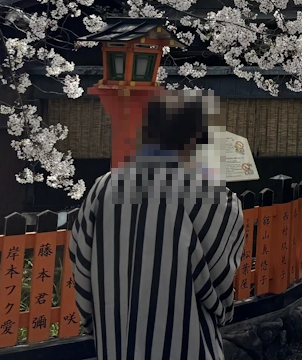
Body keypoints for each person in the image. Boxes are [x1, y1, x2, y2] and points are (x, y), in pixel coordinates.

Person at [69, 90, 245, 360]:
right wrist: (222, 311)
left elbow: (81, 261)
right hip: (187, 342)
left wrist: (95, 321)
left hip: (117, 342)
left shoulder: (103, 187)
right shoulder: (211, 195)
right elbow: (221, 275)